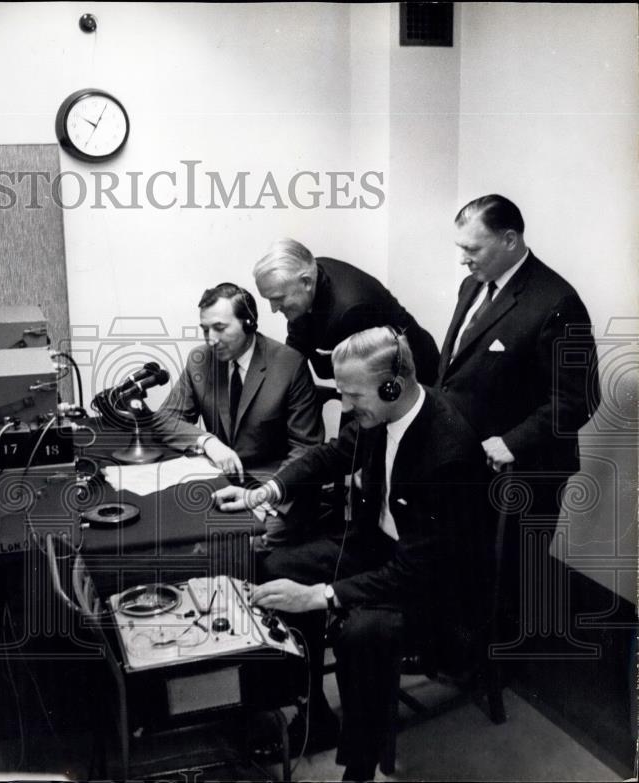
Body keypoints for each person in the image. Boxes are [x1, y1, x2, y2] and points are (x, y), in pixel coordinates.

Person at [213, 328, 489, 781]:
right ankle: (312, 711)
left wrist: (319, 596)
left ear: (391, 387)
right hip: (384, 549)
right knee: (276, 565)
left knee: (360, 634)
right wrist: (267, 490)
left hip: (435, 586)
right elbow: (333, 454)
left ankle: (358, 768)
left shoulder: (447, 451)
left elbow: (416, 571)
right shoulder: (380, 415)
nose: (344, 406)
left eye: (351, 395)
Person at [437, 194, 600, 637]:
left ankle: (499, 668)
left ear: (510, 239)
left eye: (473, 249)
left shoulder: (556, 301)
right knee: (467, 564)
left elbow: (579, 398)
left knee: (510, 577)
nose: (463, 260)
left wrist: (513, 441)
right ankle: (464, 649)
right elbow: (456, 365)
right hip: (471, 458)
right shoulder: (473, 285)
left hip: (526, 469)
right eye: (461, 248)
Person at [152, 282, 325, 543]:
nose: (211, 339)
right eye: (205, 329)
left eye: (220, 328)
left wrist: (265, 495)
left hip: (277, 490)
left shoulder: (290, 364)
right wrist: (209, 442)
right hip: (220, 485)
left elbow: (306, 448)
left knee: (238, 546)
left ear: (249, 323)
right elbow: (164, 418)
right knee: (177, 536)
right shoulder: (201, 360)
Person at [253, 239, 440, 385]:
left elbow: (361, 383)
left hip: (413, 374)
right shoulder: (309, 273)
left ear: (306, 283)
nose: (273, 308)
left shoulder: (351, 310)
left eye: (278, 298)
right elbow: (296, 346)